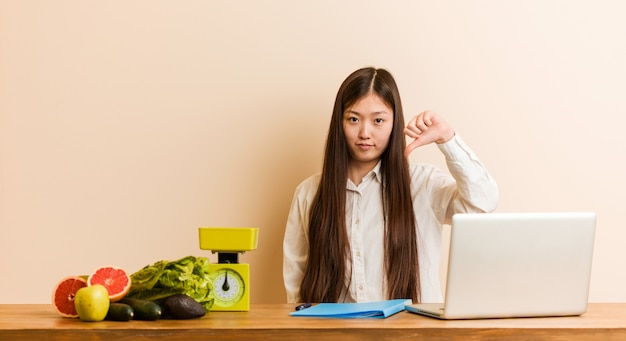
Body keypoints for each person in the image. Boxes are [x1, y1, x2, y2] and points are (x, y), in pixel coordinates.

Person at [282, 67, 498, 304]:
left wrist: (447, 138)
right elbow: (297, 282)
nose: (365, 132)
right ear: (339, 123)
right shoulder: (309, 193)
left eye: (378, 120)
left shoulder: (422, 183)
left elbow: (482, 204)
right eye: (353, 119)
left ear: (394, 123)